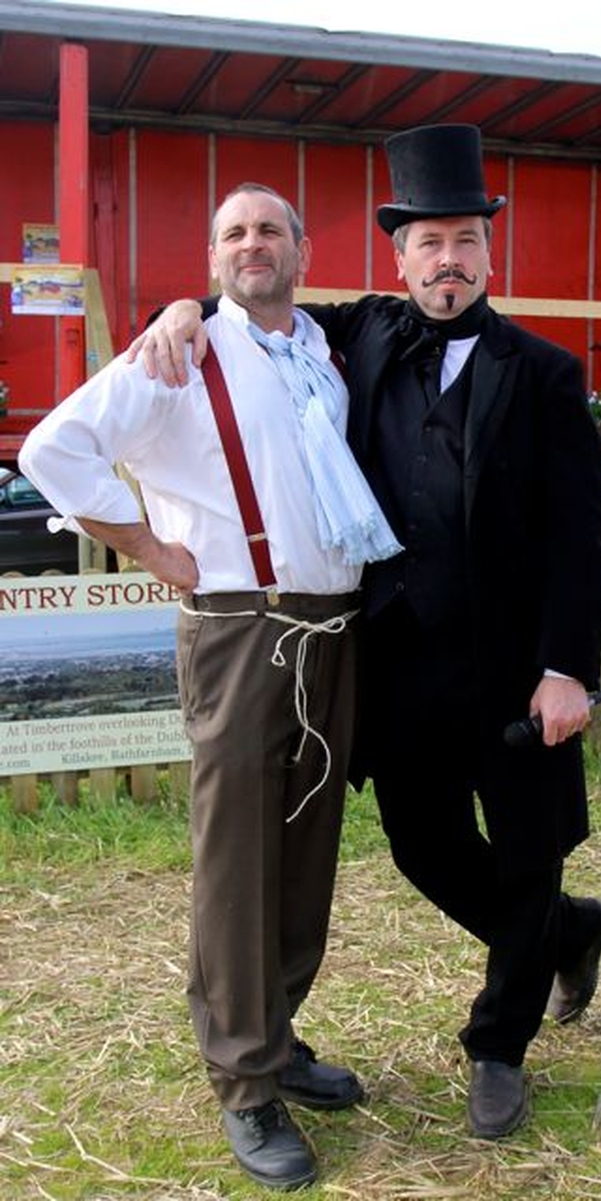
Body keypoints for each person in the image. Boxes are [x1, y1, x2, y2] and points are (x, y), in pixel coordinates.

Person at [127, 125, 601, 1141]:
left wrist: (570, 666)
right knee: (424, 848)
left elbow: (580, 535)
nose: (448, 261)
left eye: (465, 243)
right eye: (428, 243)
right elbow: (249, 308)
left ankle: (497, 1044)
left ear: (490, 255)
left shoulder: (544, 372)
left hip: (521, 669)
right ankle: (569, 933)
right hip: (399, 664)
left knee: (527, 857)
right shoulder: (356, 336)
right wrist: (177, 305)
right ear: (400, 258)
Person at [19, 183, 404, 1191]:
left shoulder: (319, 350)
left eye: (270, 229)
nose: (253, 244)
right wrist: (147, 542)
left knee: (306, 848)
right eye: (233, 233)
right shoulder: (180, 351)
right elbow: (53, 448)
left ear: (302, 251)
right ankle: (242, 1084)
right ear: (214, 256)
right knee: (237, 860)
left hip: (329, 629)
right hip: (240, 629)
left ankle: (272, 1037)